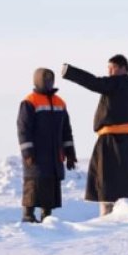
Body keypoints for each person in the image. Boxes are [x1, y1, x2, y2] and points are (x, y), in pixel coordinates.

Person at [61, 54, 128, 214]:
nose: (109, 72)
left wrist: (69, 72)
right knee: (126, 186)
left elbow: (93, 82)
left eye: (111, 68)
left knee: (107, 185)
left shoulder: (115, 83)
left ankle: (107, 219)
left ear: (123, 68)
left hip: (109, 142)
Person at [17, 68, 78, 223]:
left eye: (51, 80)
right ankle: (28, 215)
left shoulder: (60, 103)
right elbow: (23, 129)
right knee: (33, 183)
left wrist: (70, 154)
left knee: (50, 184)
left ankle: (47, 217)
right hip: (36, 156)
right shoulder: (29, 102)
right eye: (45, 80)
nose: (48, 83)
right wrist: (28, 153)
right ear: (37, 80)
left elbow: (66, 131)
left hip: (54, 156)